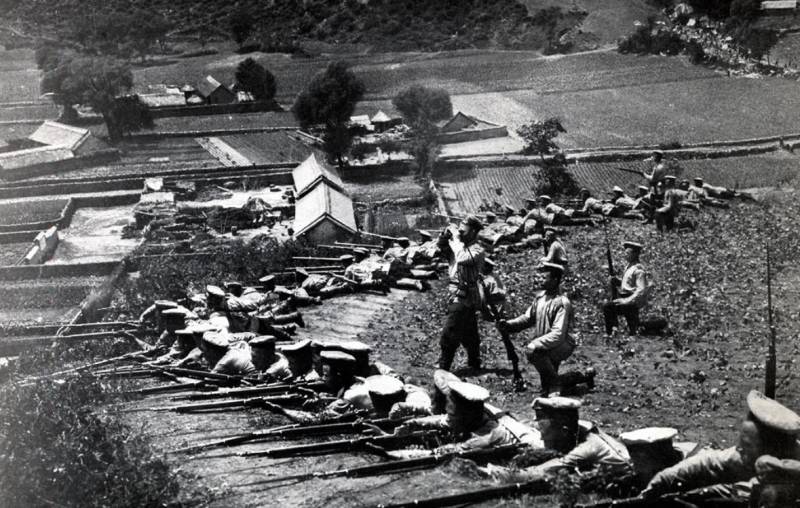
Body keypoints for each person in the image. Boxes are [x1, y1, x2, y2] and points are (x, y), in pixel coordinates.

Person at [642, 390, 800, 503]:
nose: (738, 448)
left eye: (746, 445)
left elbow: (741, 491)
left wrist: (692, 497)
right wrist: (661, 481)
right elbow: (709, 462)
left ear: (771, 451)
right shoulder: (753, 458)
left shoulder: (786, 478)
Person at [498, 263, 593, 396]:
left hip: (562, 344)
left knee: (535, 354)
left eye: (545, 278)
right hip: (547, 344)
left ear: (555, 280)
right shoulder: (540, 298)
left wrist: (536, 344)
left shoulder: (562, 302)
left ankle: (556, 385)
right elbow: (527, 318)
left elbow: (558, 334)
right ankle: (583, 376)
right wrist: (509, 325)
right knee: (547, 383)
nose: (541, 280)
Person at [437, 215, 485, 372]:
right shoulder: (459, 246)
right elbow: (442, 250)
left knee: (449, 333)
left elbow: (463, 258)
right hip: (457, 294)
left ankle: (444, 366)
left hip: (466, 296)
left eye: (464, 232)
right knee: (469, 332)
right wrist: (444, 238)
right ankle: (474, 362)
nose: (461, 234)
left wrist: (456, 240)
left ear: (473, 232)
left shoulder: (477, 249)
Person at [602, 241, 651, 335]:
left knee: (608, 307)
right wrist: (618, 281)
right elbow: (629, 284)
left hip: (631, 302)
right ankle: (614, 331)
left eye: (628, 253)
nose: (625, 255)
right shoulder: (629, 267)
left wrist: (627, 301)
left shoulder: (638, 269)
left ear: (635, 254)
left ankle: (611, 332)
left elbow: (641, 289)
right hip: (626, 298)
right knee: (635, 329)